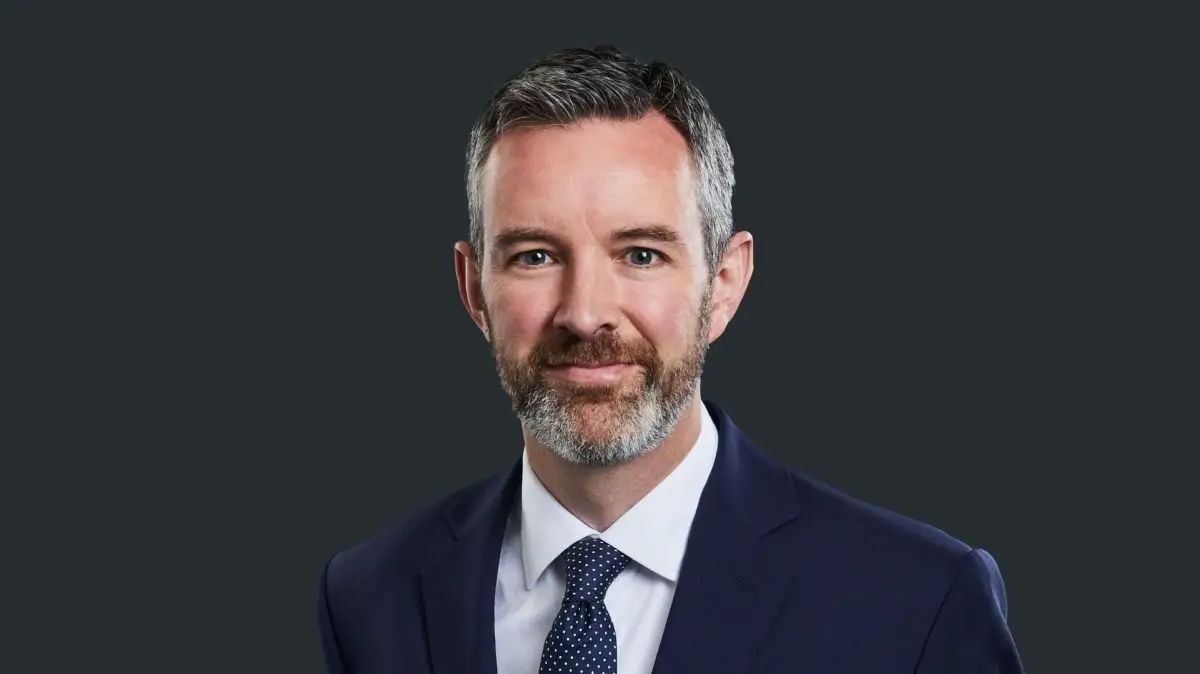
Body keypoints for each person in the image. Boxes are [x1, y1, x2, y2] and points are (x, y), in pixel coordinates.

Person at [316, 45, 1024, 674]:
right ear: (474, 289)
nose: (585, 312)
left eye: (641, 254)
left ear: (724, 284)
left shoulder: (919, 602)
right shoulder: (369, 597)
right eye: (535, 256)